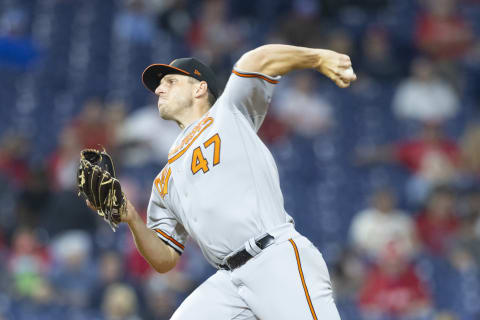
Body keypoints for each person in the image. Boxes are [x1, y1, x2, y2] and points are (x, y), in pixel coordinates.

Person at [88, 44, 356, 319]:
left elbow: (257, 60)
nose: (159, 89)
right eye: (159, 85)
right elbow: (165, 259)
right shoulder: (163, 181)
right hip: (228, 280)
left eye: (170, 81)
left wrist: (318, 57)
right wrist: (132, 217)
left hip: (273, 257)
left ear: (199, 88)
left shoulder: (229, 114)